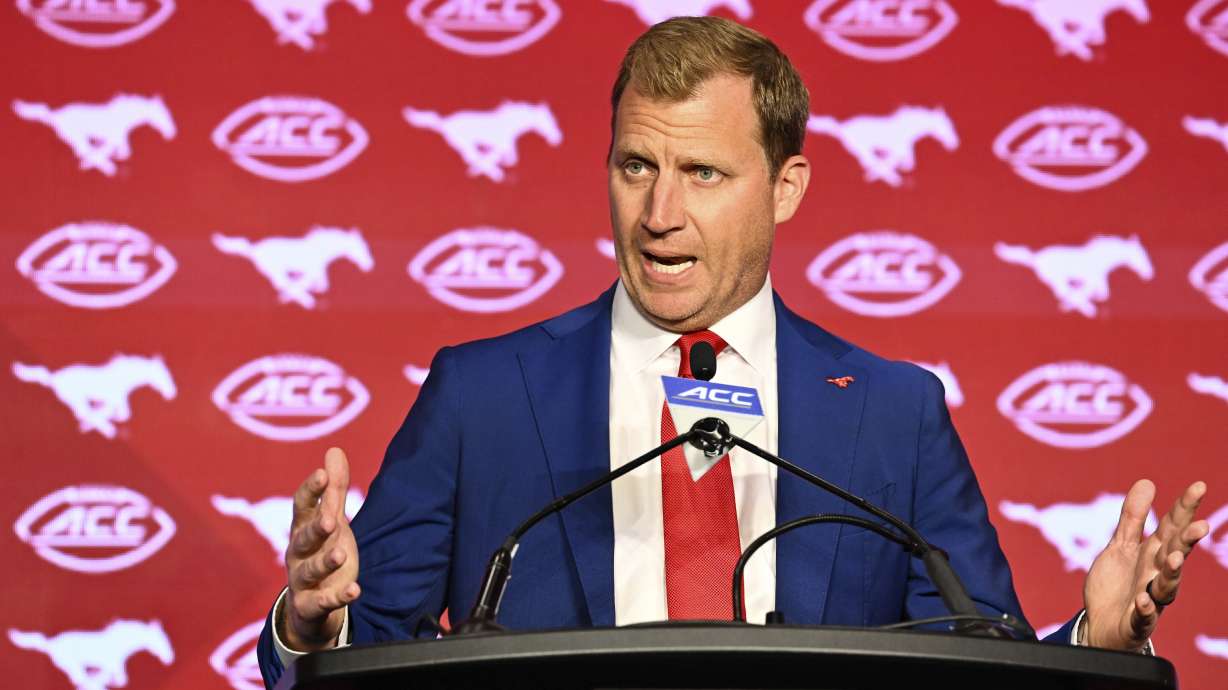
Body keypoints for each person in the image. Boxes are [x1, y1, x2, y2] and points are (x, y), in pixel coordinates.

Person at [257, 17, 1210, 688]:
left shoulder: (894, 412)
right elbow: (356, 658)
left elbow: (978, 655)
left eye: (702, 173)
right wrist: (311, 621)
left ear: (787, 187)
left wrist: (1097, 641)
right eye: (637, 166)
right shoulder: (482, 395)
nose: (660, 215)